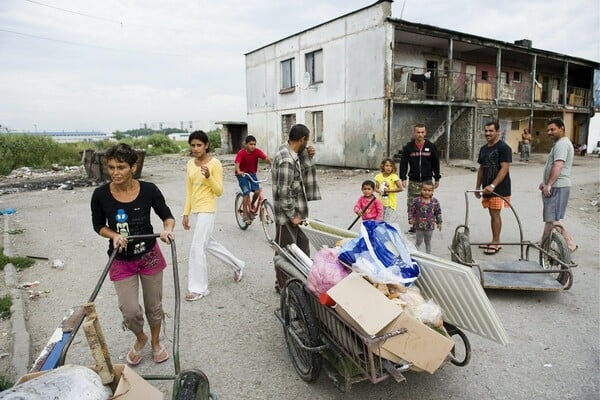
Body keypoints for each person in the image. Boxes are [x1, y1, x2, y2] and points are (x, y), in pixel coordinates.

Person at [90, 143, 174, 366]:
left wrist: (167, 229)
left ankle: (156, 342)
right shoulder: (100, 195)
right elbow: (98, 225)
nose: (115, 173)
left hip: (149, 256)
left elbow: (167, 215)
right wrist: (113, 235)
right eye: (111, 167)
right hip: (120, 260)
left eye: (121, 167)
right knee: (130, 311)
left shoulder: (149, 190)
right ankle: (141, 337)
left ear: (133, 168)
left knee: (153, 307)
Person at [182, 131, 245, 302]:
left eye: (199, 145)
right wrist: (186, 213)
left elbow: (219, 191)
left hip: (207, 210)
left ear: (206, 145)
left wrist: (209, 177)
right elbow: (189, 190)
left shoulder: (215, 164)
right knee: (208, 243)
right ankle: (237, 265)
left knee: (196, 248)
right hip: (195, 210)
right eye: (193, 145)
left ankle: (198, 288)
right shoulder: (190, 164)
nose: (196, 148)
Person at [272, 123, 321, 257]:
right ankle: (284, 279)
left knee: (302, 254)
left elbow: (304, 170)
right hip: (287, 218)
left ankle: (301, 279)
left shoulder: (291, 151)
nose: (308, 144)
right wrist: (292, 216)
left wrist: (307, 154)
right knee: (286, 257)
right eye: (307, 140)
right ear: (302, 139)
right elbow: (284, 192)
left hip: (299, 214)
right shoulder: (286, 160)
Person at [539, 118, 577, 252]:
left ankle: (570, 243)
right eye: (548, 130)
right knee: (550, 217)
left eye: (553, 129)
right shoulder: (560, 143)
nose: (549, 132)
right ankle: (544, 241)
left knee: (554, 219)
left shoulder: (562, 144)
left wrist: (549, 184)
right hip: (556, 185)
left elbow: (558, 165)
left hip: (558, 186)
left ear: (562, 129)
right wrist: (545, 183)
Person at [474, 121, 512, 255]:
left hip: (499, 188)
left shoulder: (503, 148)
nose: (487, 133)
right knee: (491, 213)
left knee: (495, 214)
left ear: (498, 132)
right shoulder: (484, 149)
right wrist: (478, 186)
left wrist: (493, 185)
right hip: (486, 188)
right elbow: (481, 169)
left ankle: (496, 242)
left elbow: (505, 168)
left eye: (490, 131)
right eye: (486, 131)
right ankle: (494, 239)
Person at [399, 124, 441, 233]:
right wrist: (403, 177)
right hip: (413, 180)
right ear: (414, 133)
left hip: (427, 180)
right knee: (412, 203)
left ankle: (425, 224)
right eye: (418, 132)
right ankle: (414, 225)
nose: (420, 135)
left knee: (426, 203)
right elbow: (403, 163)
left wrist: (437, 178)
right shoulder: (409, 147)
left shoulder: (431, 146)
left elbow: (436, 163)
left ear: (425, 133)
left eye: (422, 132)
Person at [235, 135, 272, 225]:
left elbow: (265, 158)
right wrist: (239, 171)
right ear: (246, 144)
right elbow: (237, 163)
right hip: (242, 174)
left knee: (257, 191)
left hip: (252, 174)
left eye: (254, 144)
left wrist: (272, 165)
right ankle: (245, 214)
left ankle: (251, 206)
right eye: (251, 144)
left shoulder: (257, 152)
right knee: (246, 192)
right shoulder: (241, 153)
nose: (253, 146)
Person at [408, 181, 442, 254]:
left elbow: (438, 212)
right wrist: (410, 218)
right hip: (419, 226)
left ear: (432, 191)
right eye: (424, 190)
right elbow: (411, 210)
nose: (426, 192)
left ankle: (428, 256)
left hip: (430, 226)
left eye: (429, 190)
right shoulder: (416, 201)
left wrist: (439, 222)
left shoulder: (434, 201)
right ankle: (415, 255)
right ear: (421, 190)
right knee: (418, 242)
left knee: (428, 242)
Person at [374, 158, 402, 224]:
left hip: (390, 203)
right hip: (380, 202)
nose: (388, 168)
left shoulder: (394, 176)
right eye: (387, 165)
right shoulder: (378, 176)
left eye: (390, 166)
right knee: (380, 220)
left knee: (386, 221)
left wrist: (389, 190)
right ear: (383, 166)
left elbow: (400, 188)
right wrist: (379, 191)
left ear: (393, 167)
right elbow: (376, 188)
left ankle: (387, 233)